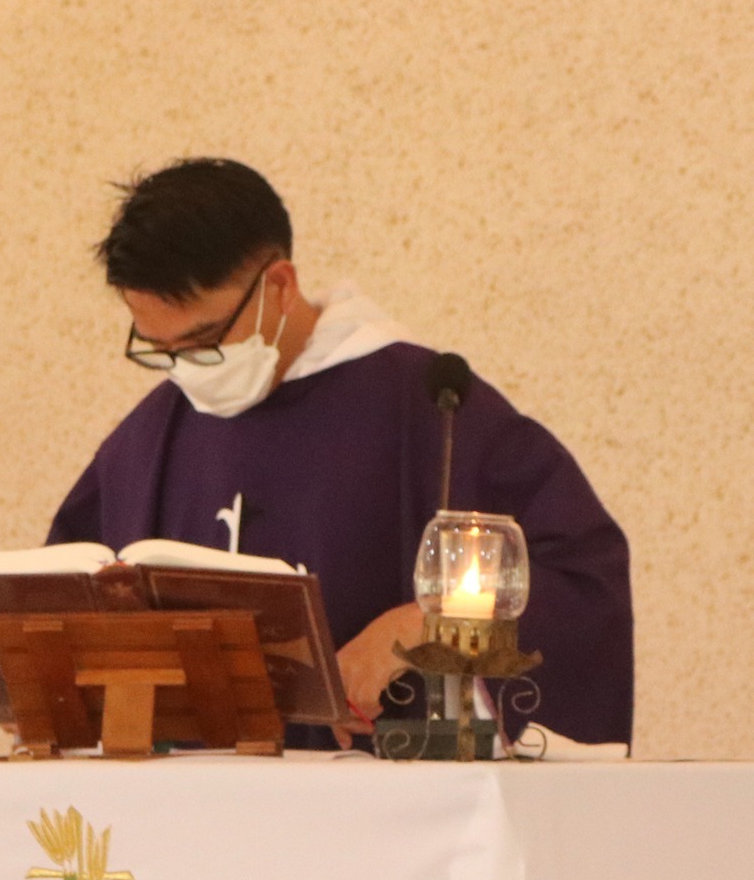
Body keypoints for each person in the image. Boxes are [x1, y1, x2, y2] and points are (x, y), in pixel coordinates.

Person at [48, 158, 632, 747]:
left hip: (377, 790)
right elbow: (62, 597)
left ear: (280, 286)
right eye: (160, 348)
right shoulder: (152, 436)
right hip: (188, 797)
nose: (186, 368)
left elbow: (580, 579)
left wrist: (430, 624)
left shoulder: (428, 405)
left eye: (203, 340)